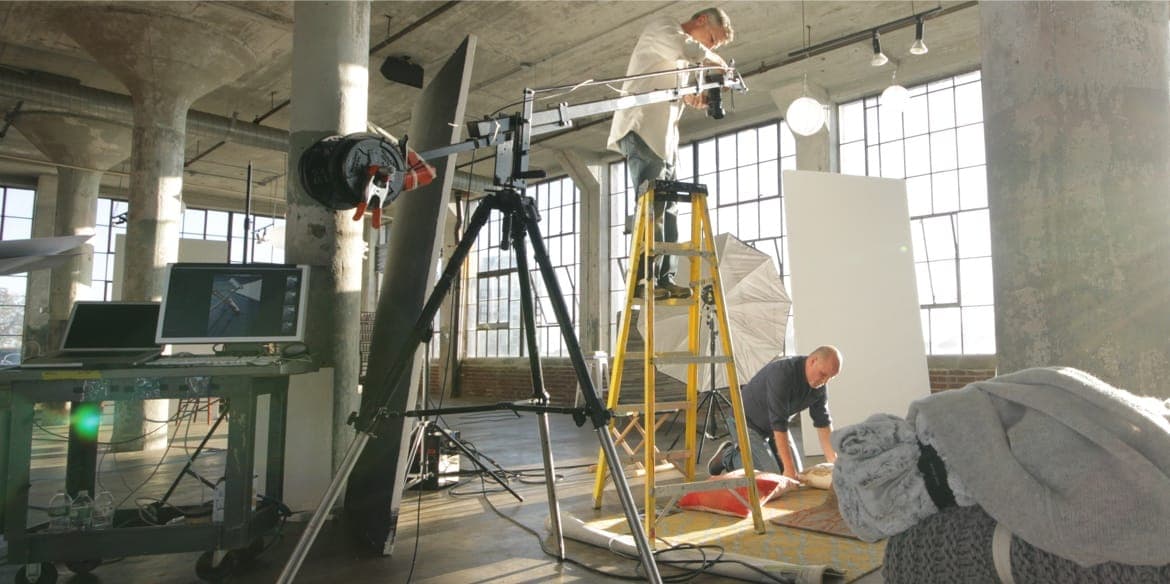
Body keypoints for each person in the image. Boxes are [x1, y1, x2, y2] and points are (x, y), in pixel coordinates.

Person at [607, 8, 734, 300]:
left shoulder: (687, 58)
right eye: (712, 39)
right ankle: (643, 280)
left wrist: (696, 96)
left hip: (664, 139)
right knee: (651, 209)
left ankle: (664, 278)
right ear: (702, 21)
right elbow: (688, 48)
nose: (711, 47)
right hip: (641, 129)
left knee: (670, 209)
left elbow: (684, 89)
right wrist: (715, 61)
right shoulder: (664, 28)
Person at [707, 345, 842, 482]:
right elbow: (779, 425)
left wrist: (834, 463)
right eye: (823, 374)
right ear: (813, 361)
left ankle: (747, 454)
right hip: (744, 421)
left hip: (772, 426)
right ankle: (728, 456)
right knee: (772, 477)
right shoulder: (783, 373)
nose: (824, 381)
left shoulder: (819, 387)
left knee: (798, 475)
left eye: (830, 378)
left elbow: (823, 423)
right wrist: (788, 468)